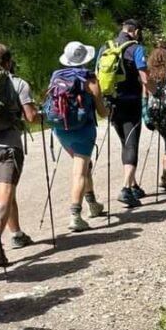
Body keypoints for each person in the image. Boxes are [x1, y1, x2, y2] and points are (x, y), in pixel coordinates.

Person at [0, 44, 40, 266]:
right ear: (8, 62)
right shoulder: (18, 83)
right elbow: (31, 117)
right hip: (9, 146)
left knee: (8, 189)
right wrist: (42, 115)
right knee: (4, 194)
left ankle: (17, 234)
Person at [44, 41, 107, 232]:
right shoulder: (90, 80)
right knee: (79, 170)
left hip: (61, 130)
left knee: (84, 165)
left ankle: (93, 203)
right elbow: (102, 112)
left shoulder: (56, 76)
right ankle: (75, 215)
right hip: (82, 130)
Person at [96, 19, 148, 209]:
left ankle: (134, 184)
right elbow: (144, 77)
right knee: (131, 142)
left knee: (124, 142)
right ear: (134, 31)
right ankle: (126, 189)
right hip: (131, 102)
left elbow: (97, 74)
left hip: (112, 103)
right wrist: (154, 93)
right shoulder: (136, 48)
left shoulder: (105, 47)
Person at [143, 38, 166, 191]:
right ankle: (164, 177)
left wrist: (145, 112)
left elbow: (145, 93)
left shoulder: (149, 74)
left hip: (154, 114)